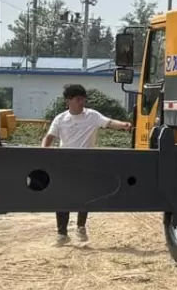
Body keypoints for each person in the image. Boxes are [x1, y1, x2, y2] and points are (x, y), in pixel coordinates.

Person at [41, 84, 131, 243]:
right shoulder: (60, 119)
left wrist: (123, 125)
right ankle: (62, 233)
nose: (82, 102)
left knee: (85, 195)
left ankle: (81, 227)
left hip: (87, 162)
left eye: (83, 99)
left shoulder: (92, 116)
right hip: (65, 163)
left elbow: (109, 123)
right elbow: (49, 137)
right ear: (68, 101)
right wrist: (42, 152)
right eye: (78, 99)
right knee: (62, 197)